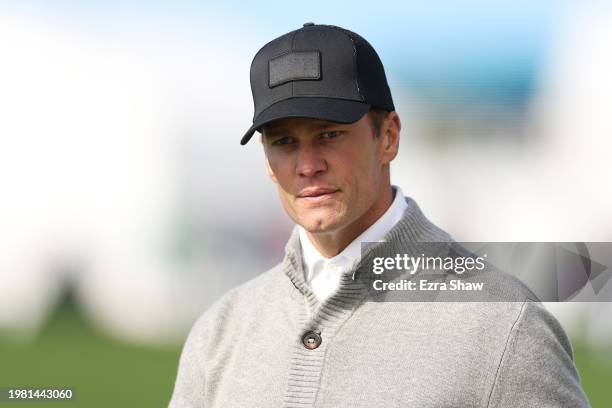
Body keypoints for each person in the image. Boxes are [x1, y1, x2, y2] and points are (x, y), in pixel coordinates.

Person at [169, 23, 590, 407]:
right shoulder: (220, 334)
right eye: (284, 142)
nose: (307, 164)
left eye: (329, 134)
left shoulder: (503, 324)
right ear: (266, 159)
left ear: (388, 137)